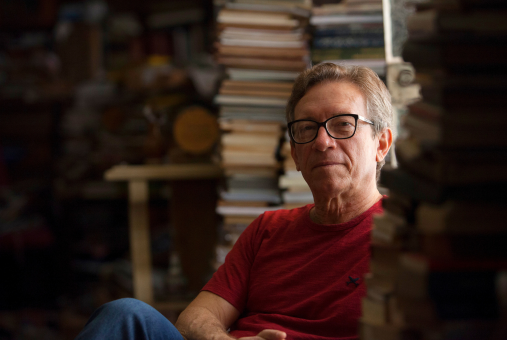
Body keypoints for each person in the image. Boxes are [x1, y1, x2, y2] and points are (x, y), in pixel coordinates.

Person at [75, 62, 393, 340]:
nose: (323, 142)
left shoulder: (400, 234)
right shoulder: (269, 230)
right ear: (296, 154)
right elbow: (194, 319)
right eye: (307, 129)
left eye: (342, 124)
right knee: (125, 314)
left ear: (381, 144)